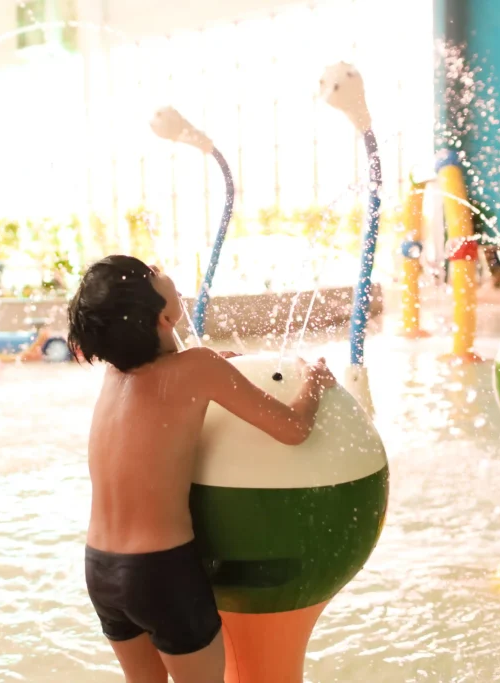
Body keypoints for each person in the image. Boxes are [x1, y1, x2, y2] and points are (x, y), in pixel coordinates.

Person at [66, 255, 335, 683]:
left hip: (101, 569)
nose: (159, 269)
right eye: (152, 275)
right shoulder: (198, 368)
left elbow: (167, 380)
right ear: (161, 315)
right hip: (160, 572)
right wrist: (315, 383)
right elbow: (293, 429)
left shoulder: (116, 376)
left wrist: (212, 364)